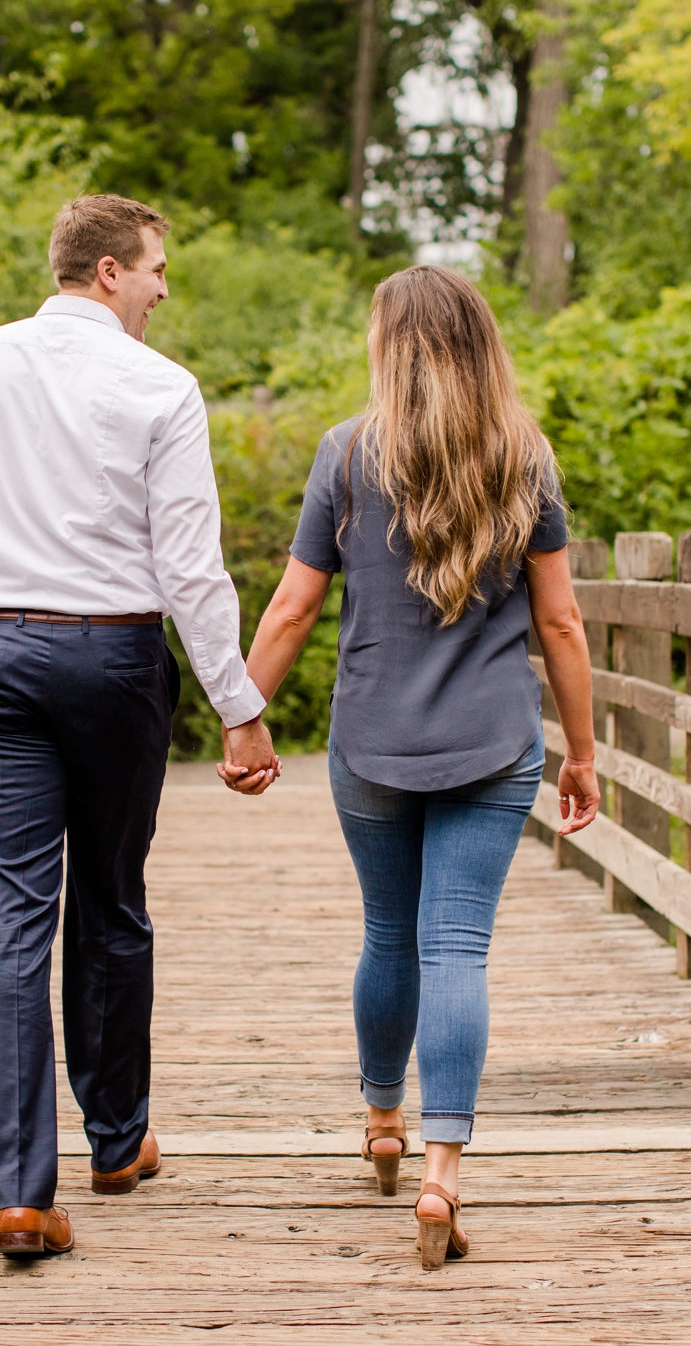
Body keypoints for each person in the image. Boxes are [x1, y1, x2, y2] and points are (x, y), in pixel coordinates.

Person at [0, 193, 279, 1259]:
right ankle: (116, 1138)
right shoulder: (160, 387)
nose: (157, 291)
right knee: (109, 893)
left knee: (8, 919)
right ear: (106, 271)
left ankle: (19, 1192)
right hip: (113, 656)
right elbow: (189, 566)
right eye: (152, 271)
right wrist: (238, 708)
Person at [230, 264, 602, 1269]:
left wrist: (241, 716)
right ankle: (440, 1175)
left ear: (387, 345)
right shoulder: (523, 458)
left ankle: (381, 1118)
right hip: (493, 744)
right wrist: (582, 751)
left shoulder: (346, 456)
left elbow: (292, 609)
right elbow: (561, 622)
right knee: (455, 948)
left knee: (388, 935)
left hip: (371, 743)